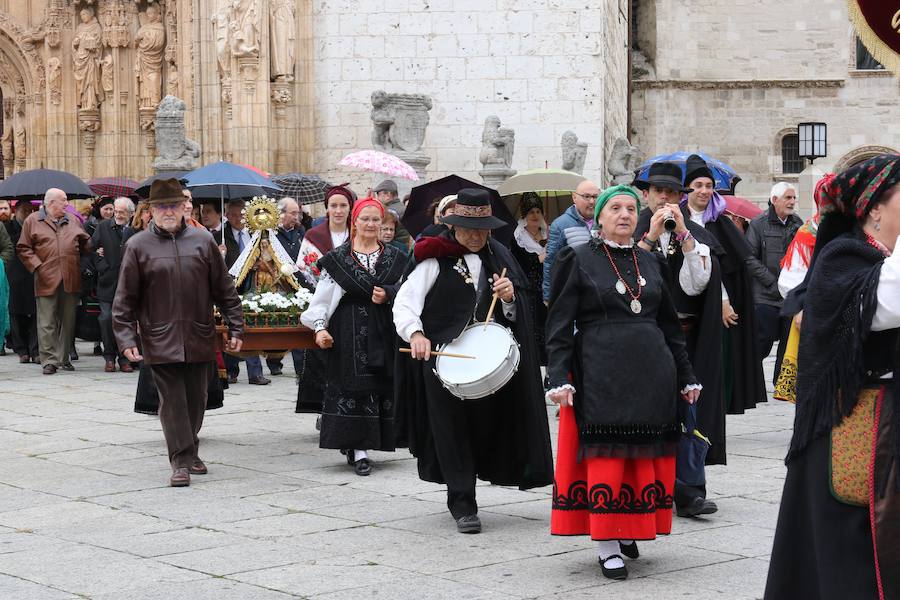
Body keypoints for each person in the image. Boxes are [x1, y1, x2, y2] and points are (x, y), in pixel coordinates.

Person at [546, 185, 701, 580]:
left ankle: (629, 527)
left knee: (641, 455)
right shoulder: (577, 258)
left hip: (652, 372)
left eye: (631, 208)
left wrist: (685, 375)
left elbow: (670, 326)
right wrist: (559, 376)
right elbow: (559, 324)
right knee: (609, 456)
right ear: (598, 217)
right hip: (601, 370)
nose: (624, 215)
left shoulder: (650, 264)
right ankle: (607, 542)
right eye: (614, 208)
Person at [765, 154, 900, 599]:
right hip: (854, 428)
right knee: (851, 554)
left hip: (884, 430)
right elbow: (885, 307)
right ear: (874, 208)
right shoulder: (843, 259)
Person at [393, 188, 554, 534]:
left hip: (485, 364)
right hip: (443, 361)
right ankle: (463, 502)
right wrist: (416, 335)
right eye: (467, 229)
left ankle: (485, 476)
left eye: (481, 230)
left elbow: (517, 315)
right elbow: (405, 303)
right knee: (451, 432)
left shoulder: (500, 257)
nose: (474, 236)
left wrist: (510, 300)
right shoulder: (433, 257)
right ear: (453, 227)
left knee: (485, 429)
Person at [113, 178, 244, 487]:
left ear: (184, 208)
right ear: (152, 210)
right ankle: (181, 461)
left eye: (173, 205)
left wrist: (236, 325)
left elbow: (224, 290)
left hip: (199, 334)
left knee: (197, 399)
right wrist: (126, 338)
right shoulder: (137, 246)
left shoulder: (202, 241)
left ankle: (191, 448)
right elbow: (124, 299)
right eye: (161, 206)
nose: (168, 211)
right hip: (159, 337)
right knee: (172, 402)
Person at [634, 161, 724, 517]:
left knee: (689, 410)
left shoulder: (692, 234)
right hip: (643, 338)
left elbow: (697, 284)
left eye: (673, 193)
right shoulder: (632, 228)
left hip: (684, 338)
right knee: (646, 413)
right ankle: (649, 485)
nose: (666, 199)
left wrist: (685, 235)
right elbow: (626, 277)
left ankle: (689, 490)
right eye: (660, 193)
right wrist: (652, 237)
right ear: (647, 195)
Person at [300, 198, 410, 475]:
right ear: (355, 222)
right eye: (366, 219)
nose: (371, 225)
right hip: (347, 330)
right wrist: (320, 327)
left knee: (378, 385)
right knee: (351, 386)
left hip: (383, 330)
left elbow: (409, 293)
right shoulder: (338, 259)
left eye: (376, 220)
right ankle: (358, 448)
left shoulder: (396, 257)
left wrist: (389, 293)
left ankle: (370, 441)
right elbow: (323, 299)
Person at [681, 154, 766, 414]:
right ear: (688, 189)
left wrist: (724, 301)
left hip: (715, 307)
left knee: (717, 363)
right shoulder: (678, 218)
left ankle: (713, 412)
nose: (704, 191)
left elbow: (729, 268)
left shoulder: (720, 222)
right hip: (685, 303)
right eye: (698, 186)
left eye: (708, 186)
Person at [773, 173, 837, 403]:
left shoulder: (857, 230)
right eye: (827, 199)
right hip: (812, 314)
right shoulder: (807, 233)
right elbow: (789, 279)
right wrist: (801, 307)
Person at [16, 188, 91, 375]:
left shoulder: (73, 220)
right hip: (45, 277)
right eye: (63, 200)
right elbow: (23, 248)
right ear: (50, 203)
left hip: (70, 276)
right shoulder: (33, 221)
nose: (67, 204)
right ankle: (49, 360)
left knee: (68, 321)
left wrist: (89, 244)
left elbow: (85, 244)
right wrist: (38, 267)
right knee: (46, 321)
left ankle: (64, 358)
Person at [296, 185, 355, 416]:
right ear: (327, 208)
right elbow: (306, 268)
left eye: (343, 206)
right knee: (321, 357)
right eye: (334, 206)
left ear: (350, 208)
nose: (338, 210)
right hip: (323, 303)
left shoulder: (357, 234)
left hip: (351, 301)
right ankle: (322, 409)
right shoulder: (314, 235)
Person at [745, 182, 803, 381]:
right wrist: (772, 282)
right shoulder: (758, 223)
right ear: (774, 200)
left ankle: (781, 383)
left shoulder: (798, 223)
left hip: (789, 295)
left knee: (788, 343)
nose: (792, 202)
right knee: (764, 339)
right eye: (788, 197)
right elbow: (749, 258)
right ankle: (750, 378)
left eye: (794, 198)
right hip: (765, 295)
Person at [222, 198, 270, 385]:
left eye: (240, 215)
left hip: (252, 285)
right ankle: (231, 371)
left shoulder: (255, 234)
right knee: (232, 326)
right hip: (230, 286)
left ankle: (255, 372)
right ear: (226, 215)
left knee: (250, 325)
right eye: (232, 215)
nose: (236, 219)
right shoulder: (221, 236)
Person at [91, 197, 135, 373]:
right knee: (107, 318)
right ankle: (109, 356)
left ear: (130, 214)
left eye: (121, 212)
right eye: (116, 211)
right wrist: (102, 266)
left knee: (124, 321)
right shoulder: (103, 227)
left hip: (127, 284)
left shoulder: (134, 231)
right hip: (107, 282)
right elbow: (91, 250)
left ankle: (124, 358)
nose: (117, 215)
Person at [266, 196, 306, 377]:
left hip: (298, 283)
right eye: (293, 213)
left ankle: (300, 368)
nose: (297, 217)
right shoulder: (271, 233)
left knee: (298, 323)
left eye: (298, 213)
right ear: (281, 214)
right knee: (280, 323)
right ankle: (274, 359)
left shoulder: (301, 232)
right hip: (278, 283)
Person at [543, 179, 600, 302]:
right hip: (573, 291)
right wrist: (548, 296)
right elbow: (551, 262)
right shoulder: (560, 225)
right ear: (574, 197)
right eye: (586, 196)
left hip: (600, 290)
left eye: (595, 197)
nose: (592, 201)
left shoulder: (604, 222)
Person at [510, 193, 548, 365]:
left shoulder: (550, 234)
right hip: (529, 292)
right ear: (524, 215)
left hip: (548, 290)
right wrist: (542, 257)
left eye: (538, 211)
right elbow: (521, 264)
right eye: (531, 211)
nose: (535, 215)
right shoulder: (518, 238)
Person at [5, 200, 39, 363]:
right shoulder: (8, 226)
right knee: (15, 312)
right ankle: (21, 350)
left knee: (35, 312)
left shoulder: (36, 226)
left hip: (32, 272)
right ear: (16, 211)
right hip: (14, 272)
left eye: (30, 210)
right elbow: (11, 244)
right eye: (24, 211)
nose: (27, 214)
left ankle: (34, 349)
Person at [373, 179, 410, 245]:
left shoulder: (391, 211)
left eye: (378, 195)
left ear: (388, 194)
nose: (377, 198)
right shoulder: (401, 207)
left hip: (393, 246)